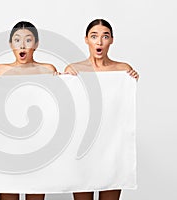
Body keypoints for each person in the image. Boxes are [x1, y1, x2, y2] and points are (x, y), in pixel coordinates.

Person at [65, 19, 139, 200]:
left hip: (112, 148)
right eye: (94, 36)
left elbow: (121, 108)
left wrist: (131, 80)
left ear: (111, 40)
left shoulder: (123, 70)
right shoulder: (74, 69)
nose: (99, 42)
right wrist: (67, 79)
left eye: (105, 36)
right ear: (86, 40)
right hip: (83, 148)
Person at [0, 21, 57, 200]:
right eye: (17, 40)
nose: (22, 45)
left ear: (36, 44)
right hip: (8, 145)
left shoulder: (47, 70)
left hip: (39, 145)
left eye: (28, 40)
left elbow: (57, 103)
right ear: (10, 44)